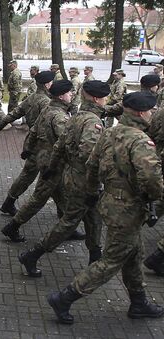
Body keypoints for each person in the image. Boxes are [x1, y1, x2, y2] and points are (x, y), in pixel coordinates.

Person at [47, 91, 164, 324]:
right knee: (111, 261)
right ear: (141, 112)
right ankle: (65, 297)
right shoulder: (140, 140)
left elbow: (91, 165)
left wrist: (91, 192)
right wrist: (154, 198)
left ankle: (139, 302)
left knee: (134, 254)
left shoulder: (110, 131)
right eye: (150, 111)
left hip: (110, 203)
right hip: (128, 210)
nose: (152, 114)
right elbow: (152, 180)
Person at [18, 80, 111, 278]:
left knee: (94, 218)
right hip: (84, 181)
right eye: (104, 98)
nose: (106, 101)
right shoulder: (92, 122)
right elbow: (89, 157)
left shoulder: (78, 116)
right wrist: (96, 186)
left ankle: (95, 257)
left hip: (74, 176)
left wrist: (53, 167)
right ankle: (33, 254)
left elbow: (60, 145)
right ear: (96, 98)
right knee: (68, 223)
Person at [1, 80, 73, 242]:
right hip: (52, 164)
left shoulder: (49, 108)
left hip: (44, 158)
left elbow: (33, 130)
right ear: (61, 96)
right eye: (69, 93)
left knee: (61, 193)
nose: (72, 95)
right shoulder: (59, 116)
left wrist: (28, 148)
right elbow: (65, 143)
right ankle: (13, 226)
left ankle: (68, 225)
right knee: (39, 197)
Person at [0, 71, 55, 216]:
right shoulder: (46, 102)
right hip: (44, 145)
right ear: (47, 84)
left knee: (27, 175)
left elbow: (16, 112)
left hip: (33, 143)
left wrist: (2, 123)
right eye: (51, 82)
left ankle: (9, 202)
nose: (53, 85)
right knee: (51, 179)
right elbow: (45, 124)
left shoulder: (32, 97)